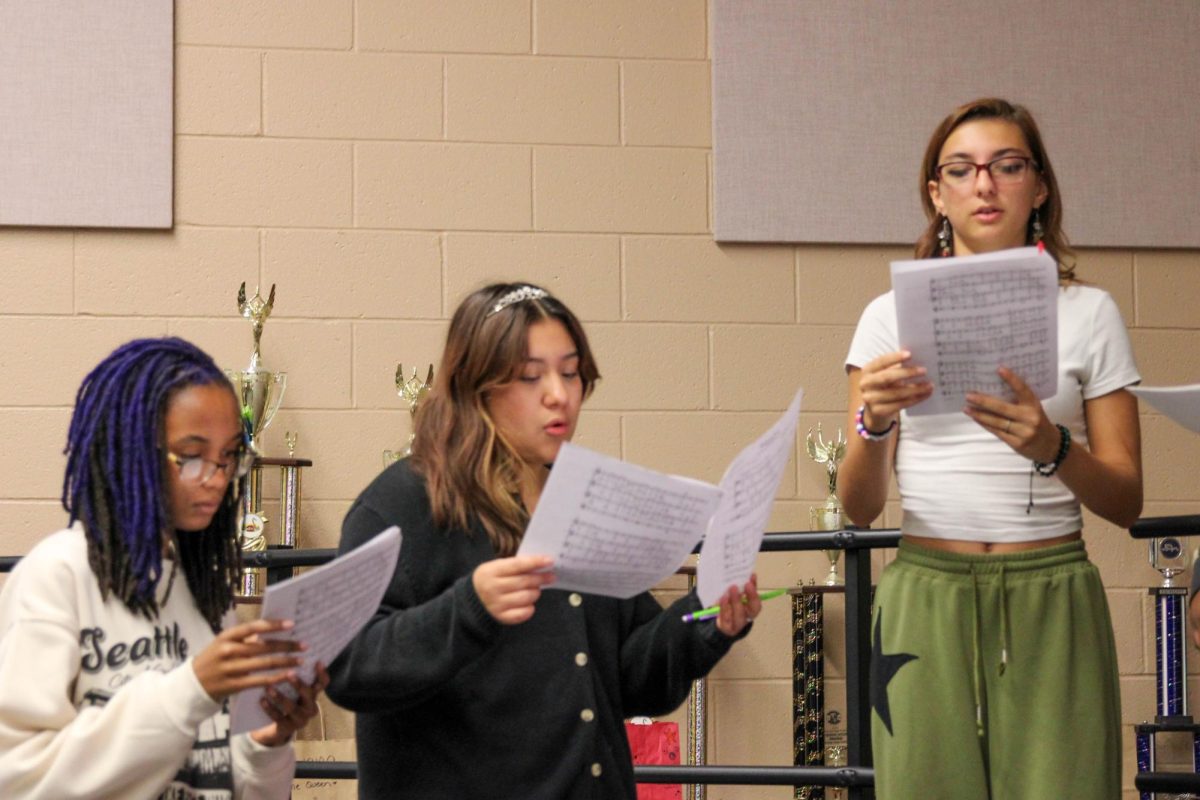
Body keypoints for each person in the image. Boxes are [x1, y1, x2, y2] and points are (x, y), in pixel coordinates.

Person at [326, 282, 761, 799]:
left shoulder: (583, 496)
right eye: (531, 376)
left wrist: (706, 618)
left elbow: (626, 679)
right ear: (477, 387)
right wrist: (468, 609)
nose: (560, 394)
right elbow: (347, 666)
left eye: (571, 372)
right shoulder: (403, 504)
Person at [840, 98, 1141, 799]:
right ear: (935, 193)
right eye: (962, 168)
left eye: (1007, 165)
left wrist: (1055, 445)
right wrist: (874, 425)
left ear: (1038, 188)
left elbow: (1127, 499)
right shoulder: (886, 317)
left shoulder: (1090, 312)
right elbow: (859, 507)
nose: (985, 184)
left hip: (1051, 587)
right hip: (925, 589)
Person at [0, 337, 328, 799]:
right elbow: (18, 782)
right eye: (192, 456)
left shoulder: (204, 593)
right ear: (131, 449)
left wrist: (266, 743)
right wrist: (190, 690)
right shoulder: (57, 575)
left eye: (228, 456)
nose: (216, 478)